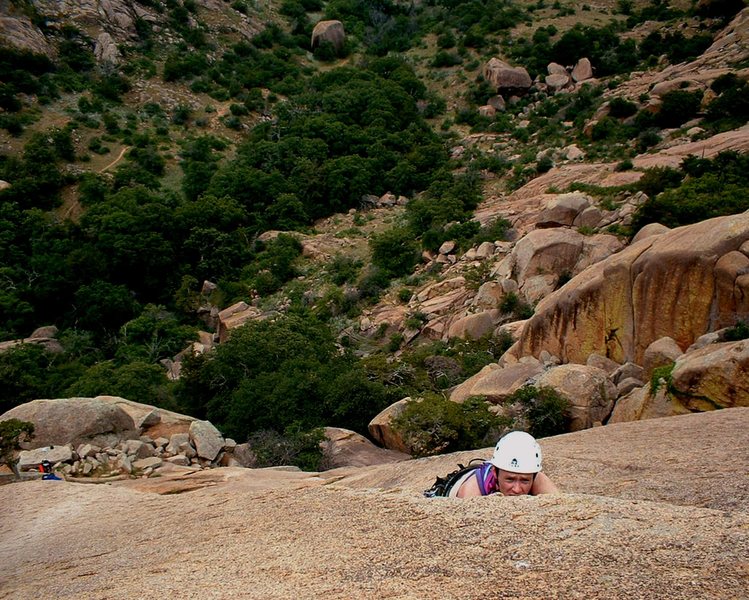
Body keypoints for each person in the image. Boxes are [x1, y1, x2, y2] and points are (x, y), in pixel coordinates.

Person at [452, 431, 559, 498]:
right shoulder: (472, 491)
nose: (517, 489)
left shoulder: (534, 476)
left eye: (524, 481)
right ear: (494, 472)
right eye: (510, 479)